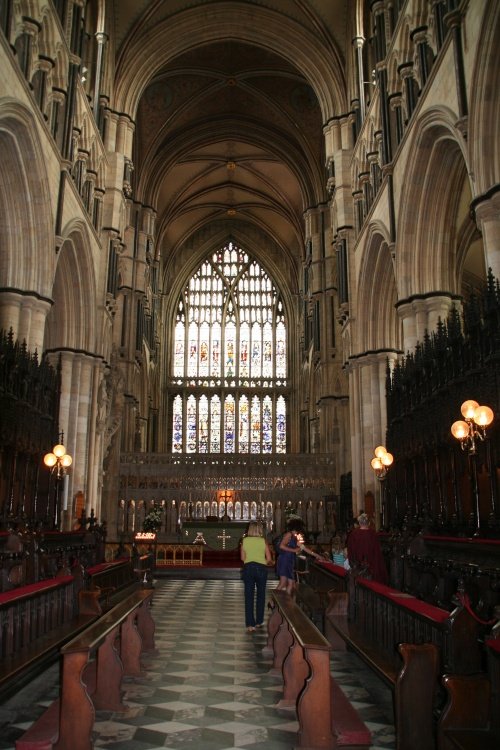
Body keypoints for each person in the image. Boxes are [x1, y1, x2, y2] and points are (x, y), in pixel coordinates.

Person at [240, 521, 273, 632]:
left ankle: (250, 625)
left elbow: (243, 558)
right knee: (261, 595)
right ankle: (259, 621)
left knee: (249, 596)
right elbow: (269, 559)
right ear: (260, 530)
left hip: (248, 568)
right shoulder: (263, 541)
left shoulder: (244, 540)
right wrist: (262, 561)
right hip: (261, 569)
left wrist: (251, 560)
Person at [275, 518, 322, 594]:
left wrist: (317, 556)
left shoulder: (293, 537)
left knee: (291, 584)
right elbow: (281, 546)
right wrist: (294, 550)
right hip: (284, 560)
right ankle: (273, 602)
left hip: (289, 560)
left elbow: (304, 548)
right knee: (283, 583)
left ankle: (287, 603)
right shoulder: (289, 534)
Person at [346, 512, 388, 583]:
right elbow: (377, 553)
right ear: (368, 523)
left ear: (359, 523)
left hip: (357, 568)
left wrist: (353, 564)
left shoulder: (353, 534)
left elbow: (350, 551)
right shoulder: (373, 534)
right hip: (372, 568)